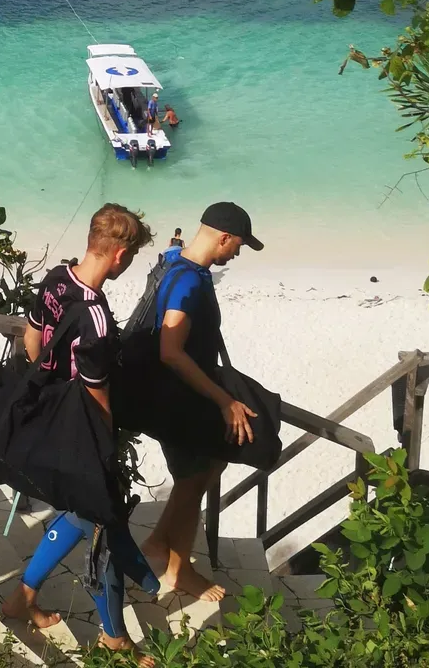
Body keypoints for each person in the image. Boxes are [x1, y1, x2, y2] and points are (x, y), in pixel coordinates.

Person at [1, 204, 157, 662]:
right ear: (121, 255)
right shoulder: (96, 318)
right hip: (81, 432)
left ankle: (23, 598)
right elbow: (98, 395)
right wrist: (105, 448)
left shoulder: (55, 279)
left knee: (80, 515)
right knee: (100, 526)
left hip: (46, 417)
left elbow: (32, 340)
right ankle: (114, 636)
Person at [139, 202, 262, 601]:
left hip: (180, 392)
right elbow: (171, 350)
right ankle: (179, 571)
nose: (237, 255)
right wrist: (225, 401)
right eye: (238, 246)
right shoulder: (188, 283)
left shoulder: (181, 262)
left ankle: (159, 542)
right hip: (176, 396)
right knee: (193, 480)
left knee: (209, 467)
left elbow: (174, 254)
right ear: (223, 237)